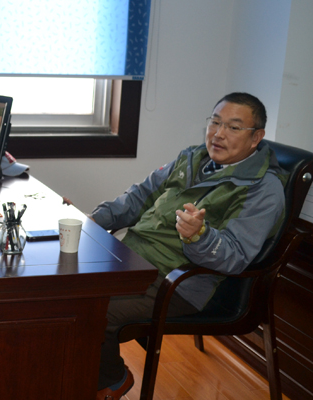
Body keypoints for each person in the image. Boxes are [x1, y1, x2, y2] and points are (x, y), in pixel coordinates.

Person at [85, 92, 287, 400]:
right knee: (63, 289)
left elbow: (234, 257)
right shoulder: (192, 158)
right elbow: (139, 197)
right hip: (131, 258)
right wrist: (92, 220)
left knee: (91, 311)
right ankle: (69, 370)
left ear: (256, 138)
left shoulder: (264, 189)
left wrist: (198, 236)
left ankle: (111, 380)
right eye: (215, 122)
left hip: (177, 282)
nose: (218, 134)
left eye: (233, 127)